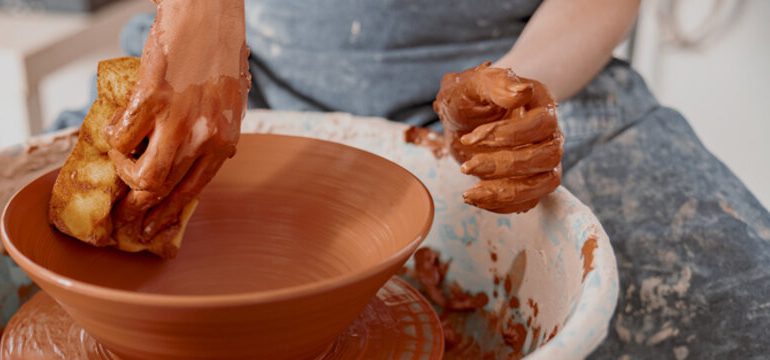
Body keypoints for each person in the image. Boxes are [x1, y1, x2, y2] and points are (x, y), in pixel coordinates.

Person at [54, 0, 770, 357]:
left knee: (742, 309)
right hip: (240, 65)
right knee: (72, 251)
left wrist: (521, 84)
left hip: (512, 59)